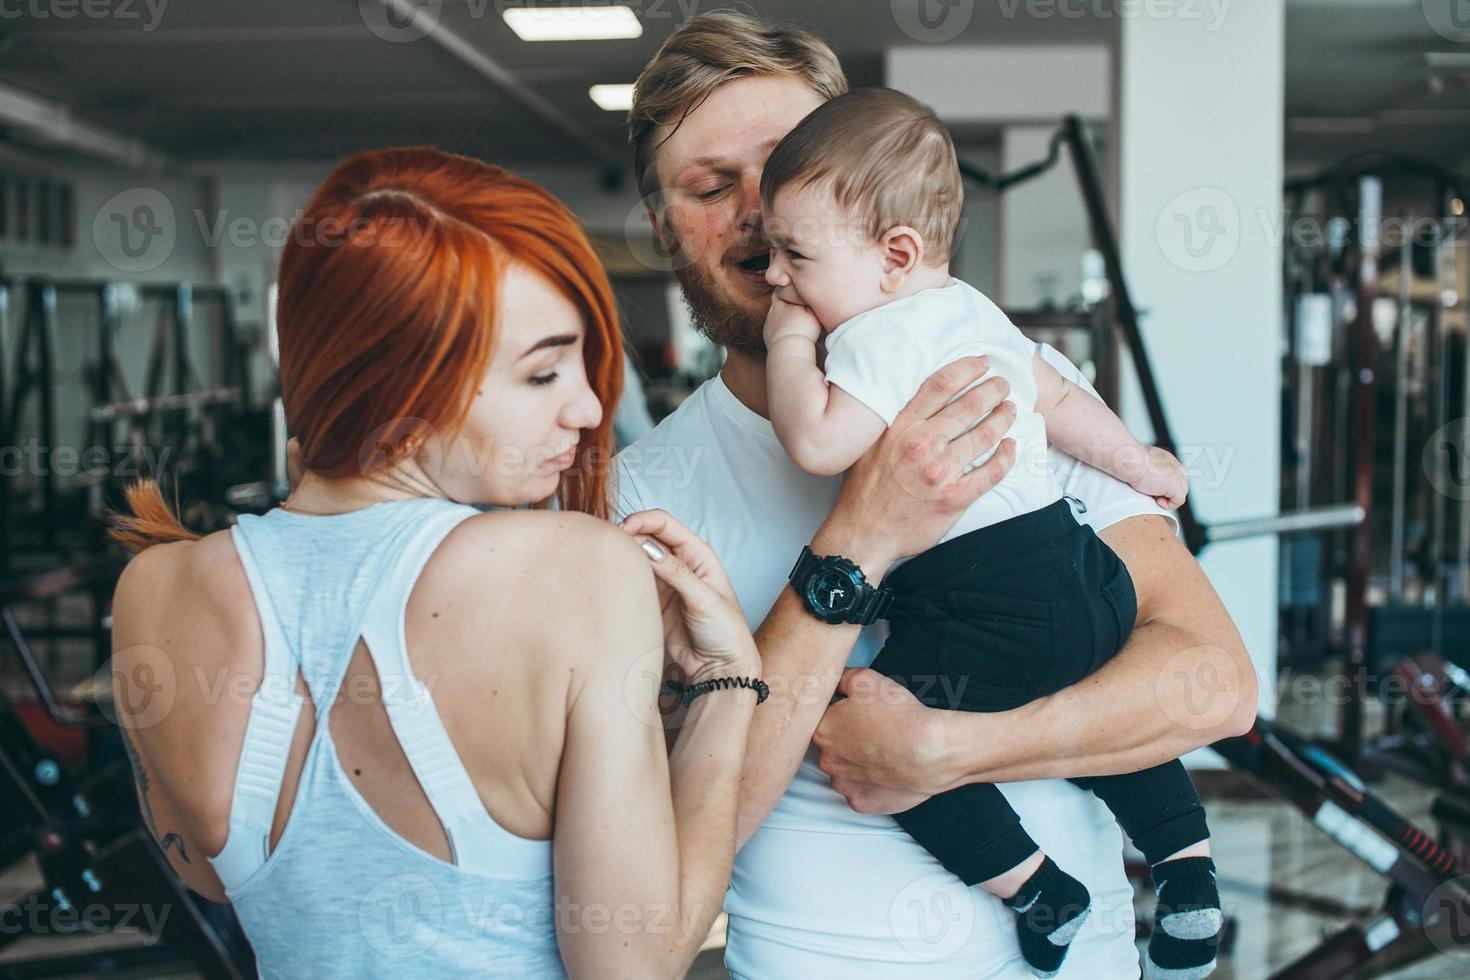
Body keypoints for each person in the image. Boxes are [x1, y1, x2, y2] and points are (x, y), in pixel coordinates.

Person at [616, 11, 1256, 979]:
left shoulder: (998, 382)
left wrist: (948, 749)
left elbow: (1216, 686)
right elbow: (674, 839)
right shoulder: (639, 494)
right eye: (712, 186)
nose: (761, 211)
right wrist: (861, 537)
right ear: (664, 225)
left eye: (790, 164)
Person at [106, 145, 765, 980]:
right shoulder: (578, 568)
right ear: (403, 387)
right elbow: (632, 963)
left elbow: (210, 876)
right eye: (543, 374)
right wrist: (727, 686)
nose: (590, 406)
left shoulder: (154, 587)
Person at [759, 86, 1218, 979]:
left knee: (875, 733)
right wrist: (1144, 466)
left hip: (984, 596)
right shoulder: (972, 309)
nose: (775, 275)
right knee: (1105, 717)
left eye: (794, 254)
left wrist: (790, 345)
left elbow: (817, 443)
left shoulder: (872, 336)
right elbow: (1058, 400)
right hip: (1081, 570)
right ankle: (1189, 874)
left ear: (894, 255)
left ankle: (1036, 886)